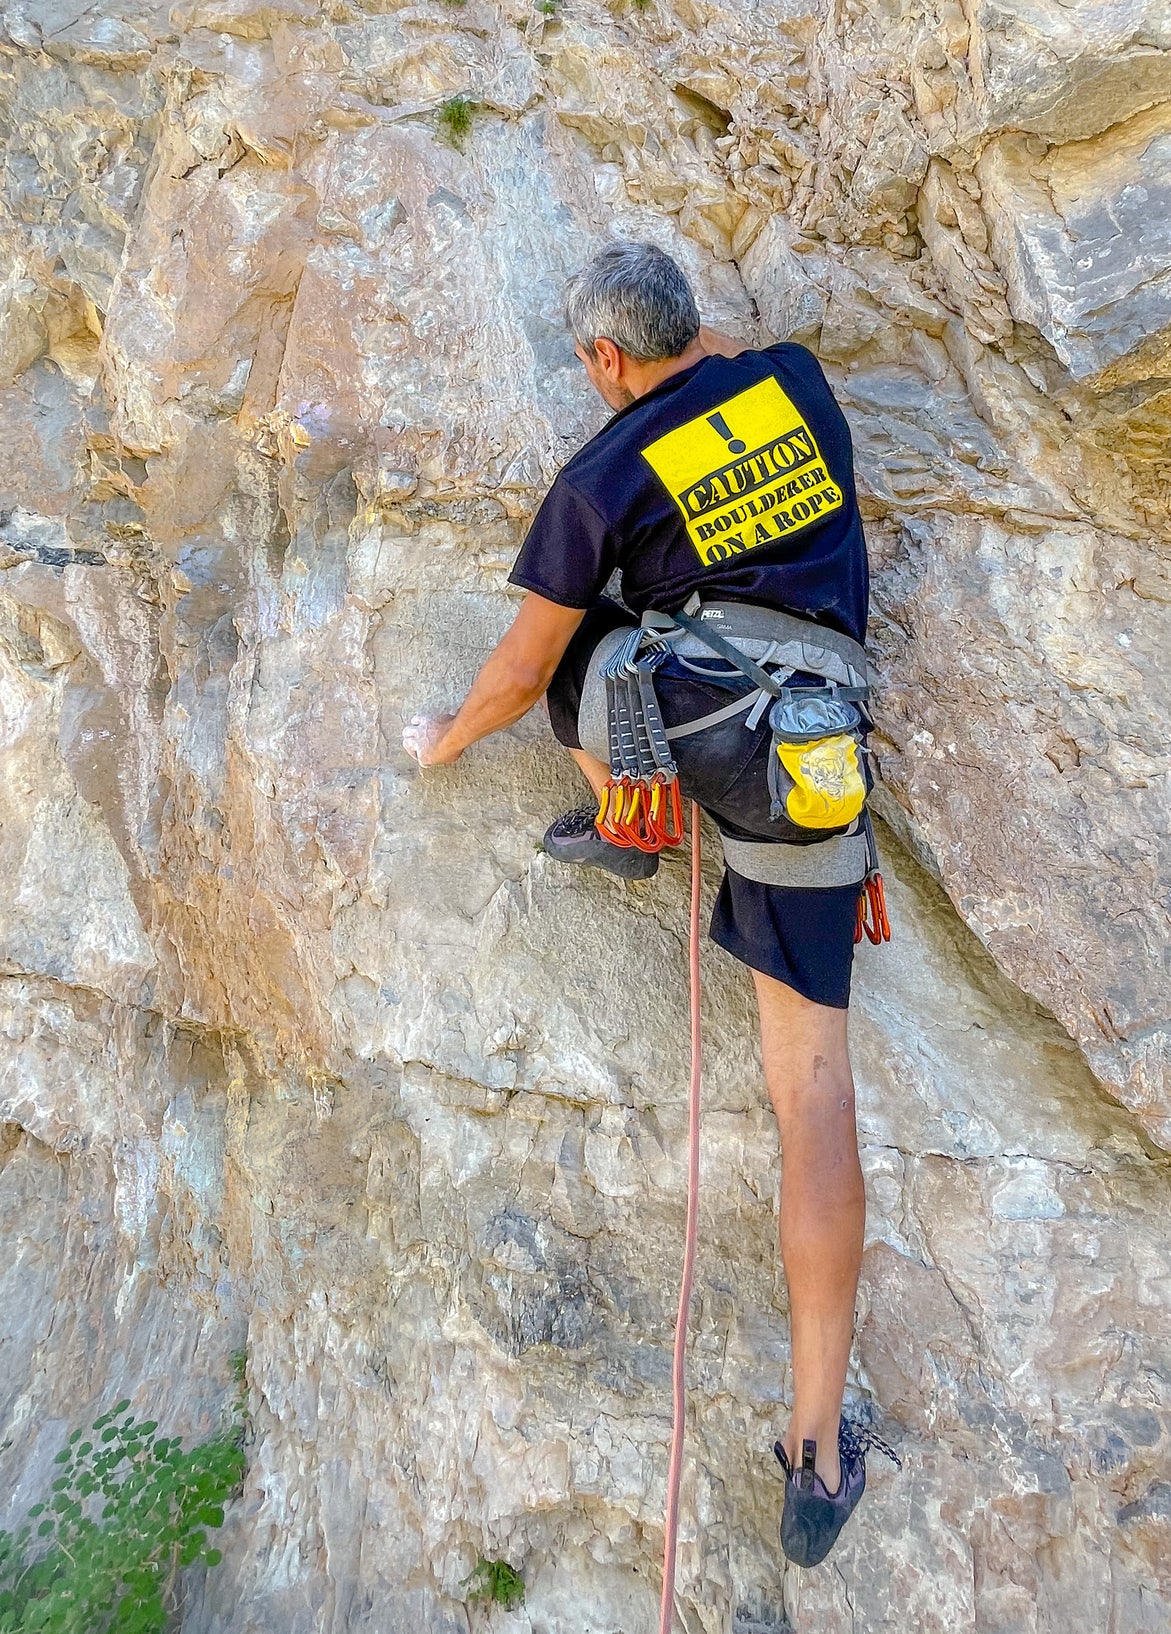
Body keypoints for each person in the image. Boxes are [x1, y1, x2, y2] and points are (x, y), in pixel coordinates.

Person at [403, 240, 892, 1567]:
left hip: (699, 729)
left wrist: (441, 743)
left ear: (600, 360)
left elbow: (520, 666)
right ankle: (817, 1447)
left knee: (591, 658)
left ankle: (631, 822)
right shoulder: (794, 381)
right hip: (814, 756)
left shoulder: (604, 471)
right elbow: (719, 353)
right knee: (814, 1100)